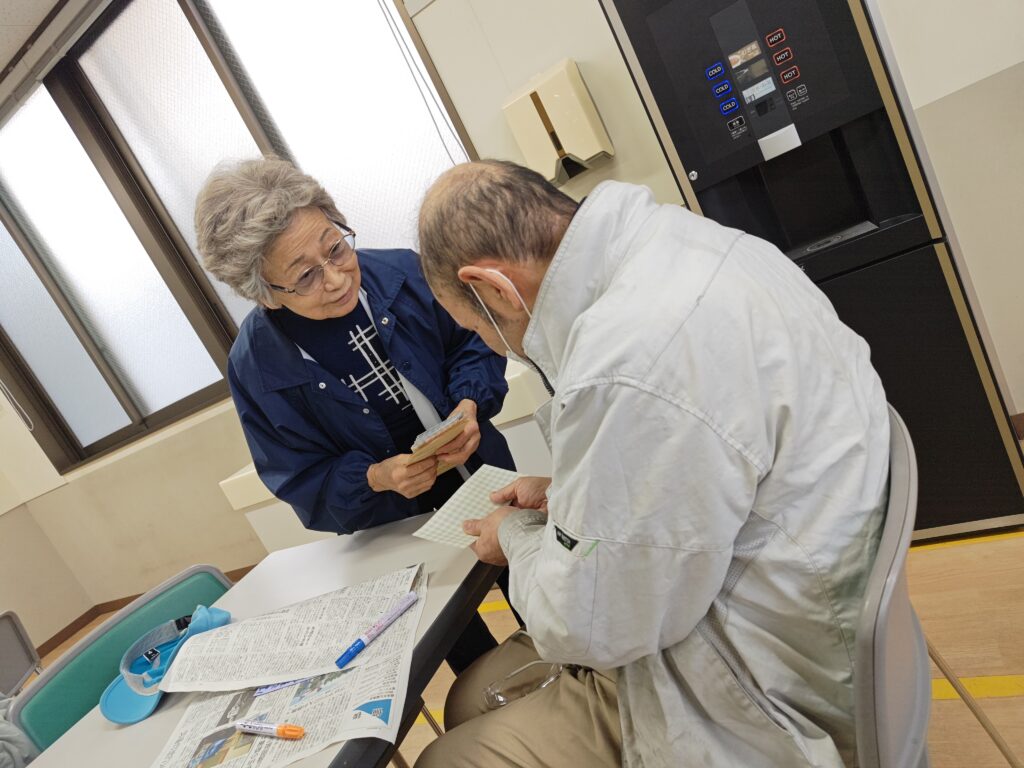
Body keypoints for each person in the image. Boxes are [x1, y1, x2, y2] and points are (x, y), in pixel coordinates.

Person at [413, 160, 890, 767]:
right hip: (806, 595)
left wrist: (515, 535)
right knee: (469, 695)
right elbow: (696, 463)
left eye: (476, 326)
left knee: (447, 758)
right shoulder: (688, 244)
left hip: (760, 679)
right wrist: (570, 495)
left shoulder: (626, 361)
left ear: (494, 289)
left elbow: (590, 625)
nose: (491, 343)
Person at [194, 156, 516, 673]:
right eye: (305, 276)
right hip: (391, 527)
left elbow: (474, 340)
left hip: (482, 474)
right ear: (265, 294)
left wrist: (469, 402)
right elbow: (297, 475)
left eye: (336, 248)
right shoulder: (257, 367)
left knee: (534, 590)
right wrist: (375, 478)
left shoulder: (404, 273)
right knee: (455, 637)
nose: (336, 278)